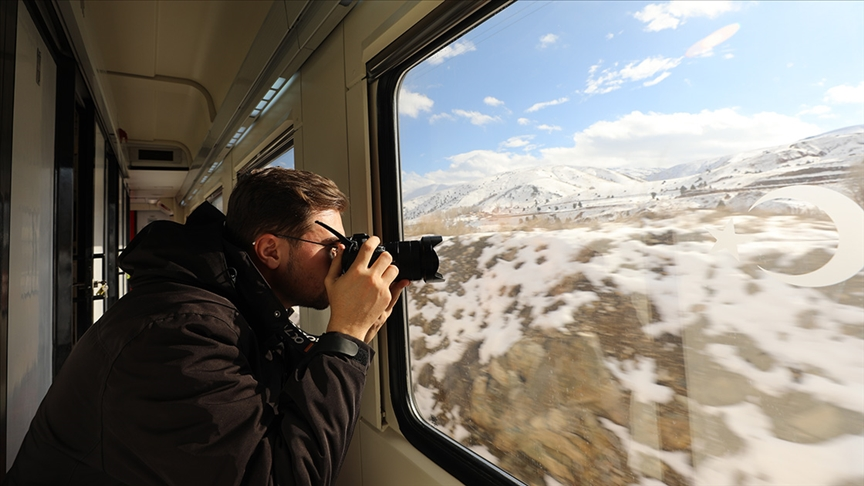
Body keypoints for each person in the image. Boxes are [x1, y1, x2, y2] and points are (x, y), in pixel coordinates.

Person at [3, 168, 409, 485]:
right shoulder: (179, 333)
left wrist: (354, 333)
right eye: (331, 246)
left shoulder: (229, 306)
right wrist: (345, 337)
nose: (342, 258)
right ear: (269, 250)